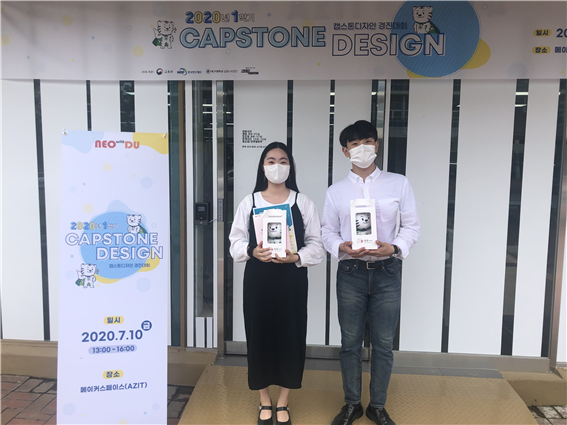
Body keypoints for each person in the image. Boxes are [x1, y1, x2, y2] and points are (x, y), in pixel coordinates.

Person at [321, 121, 420, 425]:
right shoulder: (336, 191)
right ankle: (352, 404)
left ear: (376, 145)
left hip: (387, 271)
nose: (361, 148)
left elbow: (412, 226)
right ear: (345, 151)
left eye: (367, 142)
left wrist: (395, 247)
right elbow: (327, 231)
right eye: (354, 144)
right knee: (350, 343)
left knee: (383, 344)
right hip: (350, 272)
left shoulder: (398, 183)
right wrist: (342, 246)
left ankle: (378, 406)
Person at [229, 142, 325, 425]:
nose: (277, 166)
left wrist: (296, 256)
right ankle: (264, 399)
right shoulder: (249, 202)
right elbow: (235, 242)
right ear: (262, 167)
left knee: (290, 336)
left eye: (283, 161)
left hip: (291, 280)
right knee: (259, 334)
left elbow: (316, 245)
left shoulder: (302, 202)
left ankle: (283, 400)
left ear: (290, 167)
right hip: (258, 280)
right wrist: (251, 251)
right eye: (271, 161)